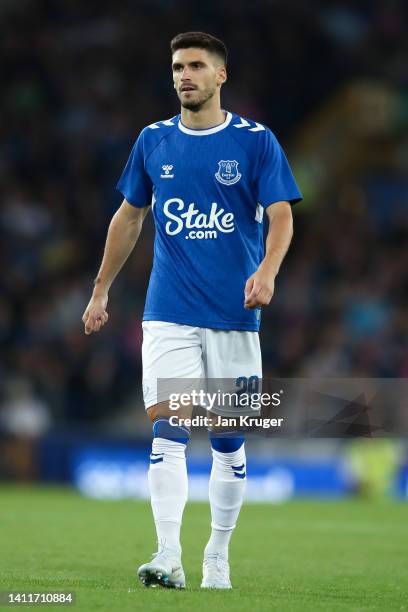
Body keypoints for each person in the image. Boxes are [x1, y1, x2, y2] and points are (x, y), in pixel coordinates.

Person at [82, 31, 302, 590]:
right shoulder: (154, 140)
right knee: (169, 430)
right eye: (178, 66)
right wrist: (101, 288)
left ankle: (217, 556)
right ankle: (167, 555)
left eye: (197, 65)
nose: (185, 74)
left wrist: (268, 271)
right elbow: (129, 216)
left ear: (220, 76)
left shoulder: (256, 142)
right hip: (168, 312)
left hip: (234, 315)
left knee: (228, 439)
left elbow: (280, 214)